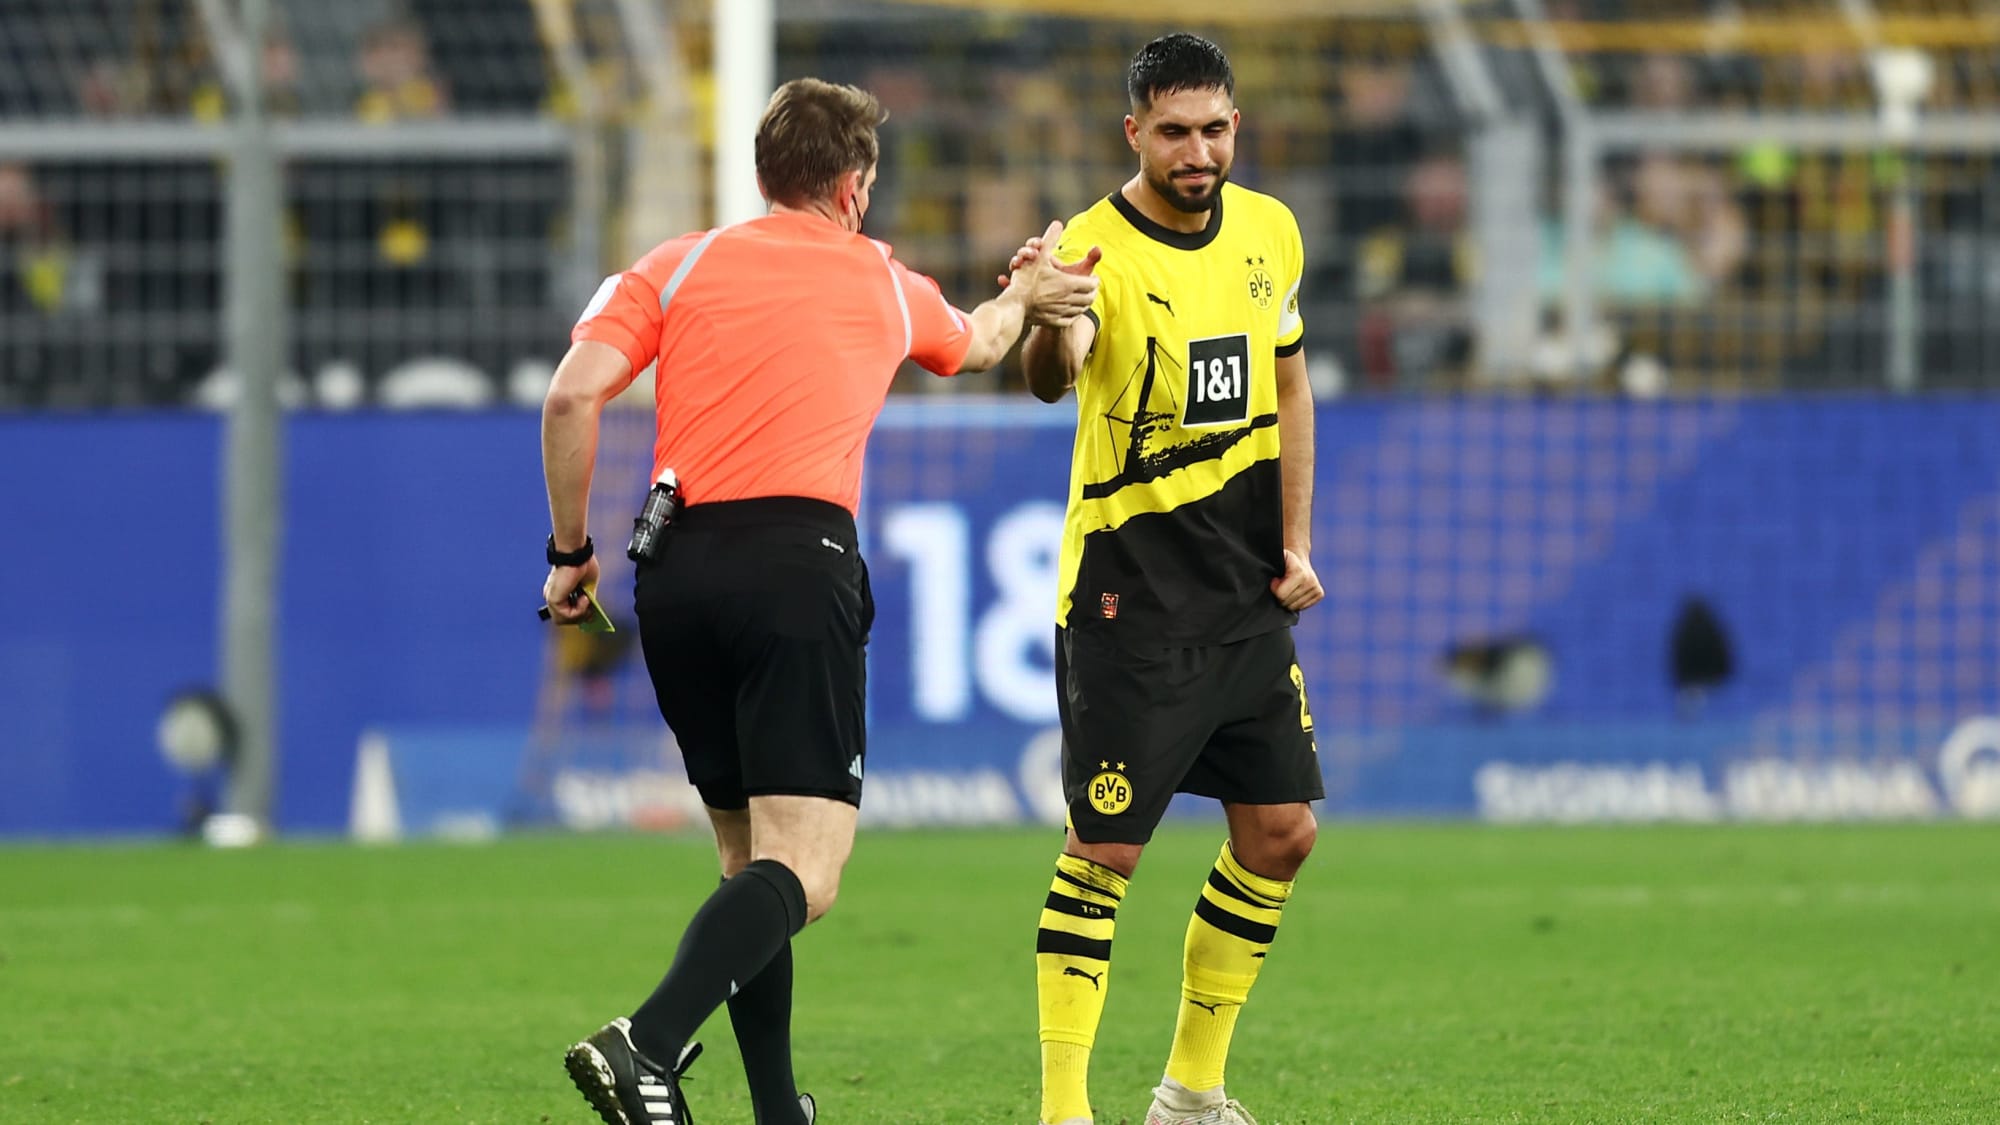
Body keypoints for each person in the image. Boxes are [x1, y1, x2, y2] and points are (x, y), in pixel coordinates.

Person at [539, 77, 1099, 1125]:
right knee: (809, 873)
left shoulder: (678, 261)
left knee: (748, 863)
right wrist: (1027, 289)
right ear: (852, 185)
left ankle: (773, 1110)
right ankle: (645, 1043)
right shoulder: (876, 276)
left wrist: (570, 554)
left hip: (674, 568)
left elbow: (571, 393)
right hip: (795, 565)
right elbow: (977, 346)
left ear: (763, 175)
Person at [1012, 33, 1324, 1125]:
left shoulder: (1271, 231)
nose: (1197, 151)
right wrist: (1048, 318)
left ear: (1234, 125)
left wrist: (1293, 543)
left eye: (1214, 128)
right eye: (1174, 132)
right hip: (1128, 598)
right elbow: (1052, 378)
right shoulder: (1095, 249)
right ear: (1133, 132)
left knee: (1280, 834)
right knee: (1103, 851)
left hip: (1241, 595)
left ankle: (1190, 1092)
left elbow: (1288, 388)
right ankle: (1063, 1110)